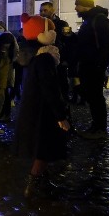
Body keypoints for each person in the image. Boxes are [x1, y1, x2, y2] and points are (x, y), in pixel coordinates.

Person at [13, 15, 70, 198]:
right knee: (44, 148)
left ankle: (42, 182)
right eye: (50, 30)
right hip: (43, 110)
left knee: (43, 147)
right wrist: (61, 115)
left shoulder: (33, 53)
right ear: (43, 34)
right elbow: (50, 87)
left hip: (34, 108)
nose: (54, 33)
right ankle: (34, 185)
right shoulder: (44, 57)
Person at [73, 0, 109, 139]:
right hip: (88, 65)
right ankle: (96, 126)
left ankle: (100, 129)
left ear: (85, 5)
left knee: (96, 97)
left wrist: (99, 65)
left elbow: (104, 44)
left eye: (78, 5)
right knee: (92, 96)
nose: (76, 8)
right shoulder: (88, 20)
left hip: (94, 66)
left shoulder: (98, 19)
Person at [39, 1, 72, 101]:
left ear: (52, 11)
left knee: (61, 86)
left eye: (45, 10)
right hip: (44, 60)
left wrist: (66, 59)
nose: (42, 13)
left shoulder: (62, 24)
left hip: (59, 60)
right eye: (40, 11)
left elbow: (69, 42)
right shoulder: (39, 25)